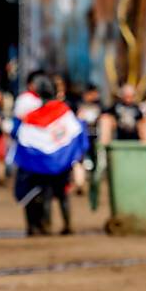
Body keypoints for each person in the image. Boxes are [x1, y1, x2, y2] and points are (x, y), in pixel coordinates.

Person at [13, 75, 88, 236]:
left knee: (46, 193)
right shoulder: (64, 110)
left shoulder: (32, 117)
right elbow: (77, 133)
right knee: (63, 195)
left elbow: (23, 140)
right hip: (62, 163)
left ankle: (46, 225)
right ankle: (68, 225)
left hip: (42, 166)